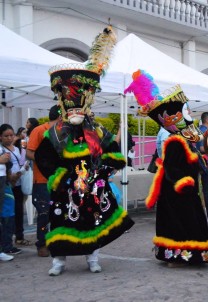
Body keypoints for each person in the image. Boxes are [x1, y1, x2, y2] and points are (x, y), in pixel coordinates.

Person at [35, 26, 134, 276]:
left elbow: (115, 154)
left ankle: (93, 258)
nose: (76, 112)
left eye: (80, 108)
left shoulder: (97, 131)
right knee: (60, 220)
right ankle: (58, 261)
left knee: (93, 222)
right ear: (64, 107)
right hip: (66, 186)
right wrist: (62, 178)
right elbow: (43, 158)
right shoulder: (55, 133)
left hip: (92, 186)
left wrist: (102, 173)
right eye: (71, 108)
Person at [125, 70, 208, 266]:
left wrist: (199, 162)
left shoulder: (184, 139)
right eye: (186, 112)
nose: (190, 116)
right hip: (177, 193)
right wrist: (184, 181)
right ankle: (179, 255)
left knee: (190, 220)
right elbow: (172, 168)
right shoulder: (174, 141)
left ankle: (190, 254)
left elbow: (192, 161)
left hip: (186, 191)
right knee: (180, 222)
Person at [26, 105, 61, 257]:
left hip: (58, 180)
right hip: (41, 180)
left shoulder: (62, 132)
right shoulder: (39, 130)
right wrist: (45, 162)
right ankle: (42, 244)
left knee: (58, 213)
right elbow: (29, 152)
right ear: (60, 116)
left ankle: (55, 242)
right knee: (44, 213)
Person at [1, 124, 29, 248]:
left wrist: (23, 169)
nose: (9, 138)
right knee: (8, 212)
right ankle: (7, 242)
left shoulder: (16, 148)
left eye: (11, 135)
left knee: (18, 210)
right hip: (7, 183)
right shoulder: (2, 150)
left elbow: (22, 160)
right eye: (6, 136)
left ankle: (19, 236)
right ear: (0, 137)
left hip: (18, 182)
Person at [1, 184, 18, 256]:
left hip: (9, 211)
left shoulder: (6, 184)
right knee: (7, 230)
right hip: (6, 213)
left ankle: (7, 246)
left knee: (8, 230)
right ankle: (7, 247)